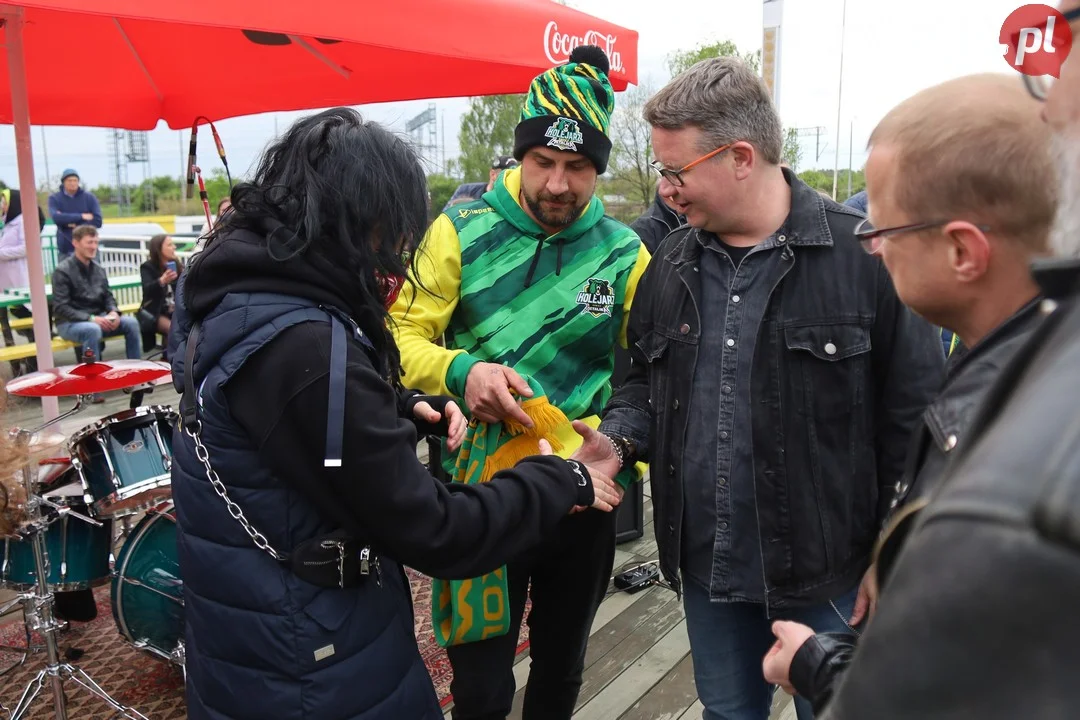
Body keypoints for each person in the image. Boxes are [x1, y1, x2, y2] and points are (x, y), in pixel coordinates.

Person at [167, 107, 622, 720]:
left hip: (266, 630)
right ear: (359, 220)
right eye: (394, 231)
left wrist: (397, 406)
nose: (399, 254)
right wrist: (561, 476)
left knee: (559, 661)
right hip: (313, 660)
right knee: (482, 681)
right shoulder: (305, 348)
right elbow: (436, 530)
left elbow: (297, 429)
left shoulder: (245, 302)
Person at [591, 56, 944, 720]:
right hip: (708, 571)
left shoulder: (865, 259)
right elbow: (639, 378)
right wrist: (618, 439)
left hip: (834, 576)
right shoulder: (668, 263)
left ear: (742, 157)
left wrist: (896, 555)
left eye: (675, 171)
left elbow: (922, 427)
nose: (665, 189)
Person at [760, 5, 1080, 717]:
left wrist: (819, 663)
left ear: (964, 250)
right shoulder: (1027, 371)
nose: (869, 242)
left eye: (882, 225)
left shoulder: (1018, 471)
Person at [390, 45, 650, 720]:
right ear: (520, 158)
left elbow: (654, 373)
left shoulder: (626, 253)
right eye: (544, 162)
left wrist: (622, 445)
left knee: (561, 670)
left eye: (577, 167)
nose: (558, 184)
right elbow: (397, 337)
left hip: (584, 492)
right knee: (481, 684)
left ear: (597, 168)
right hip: (482, 494)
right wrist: (460, 370)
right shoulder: (459, 230)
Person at [52, 225, 141, 366]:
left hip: (98, 318)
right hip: (70, 323)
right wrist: (90, 318)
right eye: (89, 242)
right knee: (92, 330)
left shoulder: (98, 269)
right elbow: (61, 307)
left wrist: (113, 311)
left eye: (96, 242)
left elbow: (108, 296)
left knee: (131, 323)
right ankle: (93, 381)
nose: (94, 247)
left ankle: (136, 371)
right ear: (75, 243)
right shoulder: (62, 271)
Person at [0, 189, 46, 371]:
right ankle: (17, 367)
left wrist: (1, 254)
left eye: (4, 201)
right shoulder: (6, 223)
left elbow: (26, 248)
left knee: (30, 322)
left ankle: (34, 365)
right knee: (8, 324)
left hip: (20, 280)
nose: (2, 205)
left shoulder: (23, 222)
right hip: (6, 284)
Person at [138, 234, 181, 349]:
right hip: (156, 311)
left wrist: (177, 280)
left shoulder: (176, 264)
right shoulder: (147, 267)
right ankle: (169, 360)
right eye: (170, 245)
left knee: (189, 327)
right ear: (158, 248)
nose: (174, 247)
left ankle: (173, 357)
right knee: (172, 329)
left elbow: (184, 289)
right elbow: (147, 290)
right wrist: (161, 281)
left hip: (175, 310)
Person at [47, 169, 102, 259]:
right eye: (69, 181)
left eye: (75, 180)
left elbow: (98, 221)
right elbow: (56, 218)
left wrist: (69, 222)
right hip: (66, 249)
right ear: (63, 182)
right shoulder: (55, 199)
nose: (72, 183)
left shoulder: (89, 198)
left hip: (89, 249)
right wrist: (82, 216)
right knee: (66, 272)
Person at [442, 156, 520, 212]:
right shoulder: (466, 190)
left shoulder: (513, 200)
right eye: (507, 174)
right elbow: (445, 215)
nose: (510, 179)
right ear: (493, 174)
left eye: (513, 175)